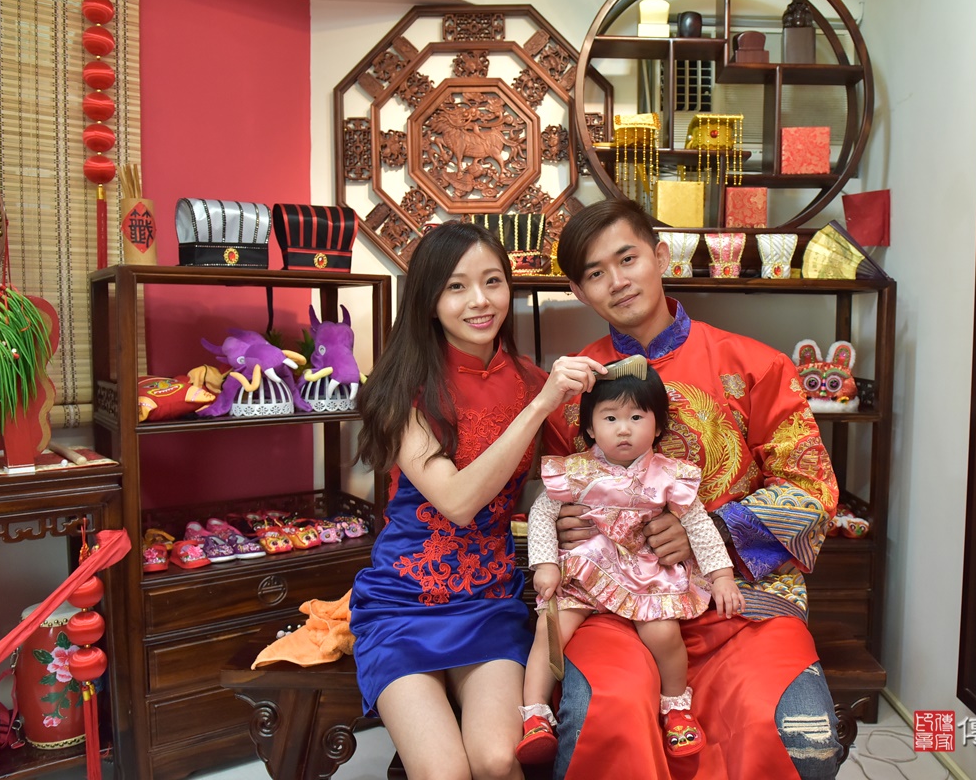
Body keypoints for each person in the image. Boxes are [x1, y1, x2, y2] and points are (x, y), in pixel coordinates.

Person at [542, 198, 844, 780]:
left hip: (743, 602)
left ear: (660, 257)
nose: (617, 281)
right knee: (607, 716)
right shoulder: (572, 388)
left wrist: (713, 534)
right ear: (580, 293)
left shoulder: (756, 367)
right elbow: (553, 498)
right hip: (615, 605)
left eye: (627, 259)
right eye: (595, 273)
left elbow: (812, 490)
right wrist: (561, 523)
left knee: (786, 732)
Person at [348, 221, 605, 780]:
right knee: (444, 772)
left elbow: (576, 474)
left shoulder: (530, 380)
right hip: (403, 604)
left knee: (496, 759)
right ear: (429, 299)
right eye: (457, 287)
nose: (480, 301)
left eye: (492, 281)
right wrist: (539, 406)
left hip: (488, 600)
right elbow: (458, 501)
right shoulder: (400, 389)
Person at [515, 357, 744, 764]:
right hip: (585, 571)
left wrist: (722, 576)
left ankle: (675, 707)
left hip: (644, 572)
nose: (624, 429)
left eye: (637, 417)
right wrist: (546, 564)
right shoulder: (575, 471)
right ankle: (535, 715)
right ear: (590, 428)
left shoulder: (669, 475)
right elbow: (542, 514)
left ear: (657, 425)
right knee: (551, 631)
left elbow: (699, 526)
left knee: (663, 634)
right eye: (610, 418)